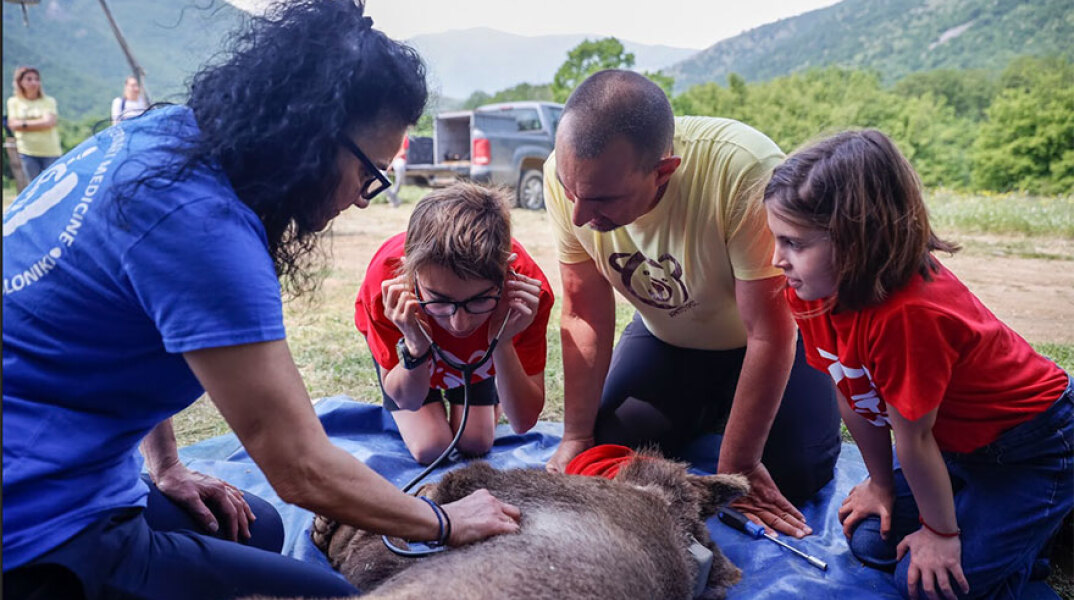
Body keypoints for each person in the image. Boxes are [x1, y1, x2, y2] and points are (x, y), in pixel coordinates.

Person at [2, 3, 521, 600]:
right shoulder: (202, 229)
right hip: (36, 526)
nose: (363, 197)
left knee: (260, 527)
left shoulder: (163, 141)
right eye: (370, 173)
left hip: (68, 466)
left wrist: (164, 466)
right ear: (312, 137)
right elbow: (299, 465)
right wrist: (444, 522)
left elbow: (133, 319)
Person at [763, 129, 1073, 600]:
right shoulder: (812, 293)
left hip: (1033, 447)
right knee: (870, 539)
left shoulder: (909, 316)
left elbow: (916, 437)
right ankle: (1007, 522)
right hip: (953, 448)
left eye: (794, 243)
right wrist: (880, 485)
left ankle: (1043, 518)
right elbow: (851, 393)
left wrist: (942, 535)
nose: (776, 259)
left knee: (933, 585)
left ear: (857, 240)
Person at [542, 69, 840, 539]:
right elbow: (583, 313)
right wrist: (576, 437)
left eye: (601, 199)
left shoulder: (742, 170)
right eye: (569, 190)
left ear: (664, 172)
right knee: (608, 449)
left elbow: (769, 332)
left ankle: (722, 413)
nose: (579, 214)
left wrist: (739, 464)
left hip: (770, 341)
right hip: (669, 338)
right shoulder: (570, 178)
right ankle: (707, 408)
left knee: (794, 474)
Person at [355, 182, 553, 464]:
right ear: (410, 273)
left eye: (479, 300)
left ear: (507, 273)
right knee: (431, 448)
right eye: (439, 299)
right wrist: (415, 346)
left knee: (476, 442)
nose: (459, 324)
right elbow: (407, 400)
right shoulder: (385, 287)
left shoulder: (526, 295)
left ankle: (480, 393)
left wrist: (502, 343)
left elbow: (523, 422)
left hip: (477, 354)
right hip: (413, 361)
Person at [6, 66, 62, 182]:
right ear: (20, 82)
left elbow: (49, 122)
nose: (34, 82)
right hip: (27, 152)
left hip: (50, 151)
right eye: (29, 79)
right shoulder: (13, 102)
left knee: (54, 185)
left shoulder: (48, 101)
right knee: (34, 186)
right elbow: (13, 125)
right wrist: (40, 122)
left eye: (36, 79)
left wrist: (23, 124)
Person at [385, 135, 407, 207]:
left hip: (398, 159)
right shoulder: (382, 134)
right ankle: (393, 198)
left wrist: (391, 162)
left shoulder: (403, 135)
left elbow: (402, 151)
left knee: (400, 167)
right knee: (380, 174)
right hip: (385, 159)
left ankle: (393, 194)